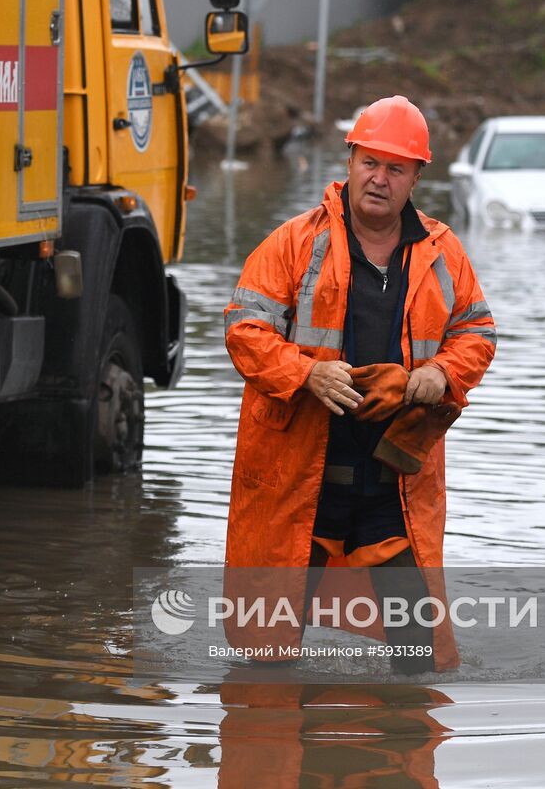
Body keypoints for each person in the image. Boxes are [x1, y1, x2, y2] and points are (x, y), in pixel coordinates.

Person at [222, 95, 496, 672]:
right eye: (371, 162)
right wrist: (307, 373)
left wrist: (436, 375)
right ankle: (273, 747)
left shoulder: (442, 252)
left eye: (397, 168)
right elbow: (244, 331)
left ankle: (399, 754)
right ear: (349, 160)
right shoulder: (294, 242)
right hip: (302, 473)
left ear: (418, 176)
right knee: (263, 656)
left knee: (419, 659)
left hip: (391, 478)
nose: (380, 178)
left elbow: (478, 334)